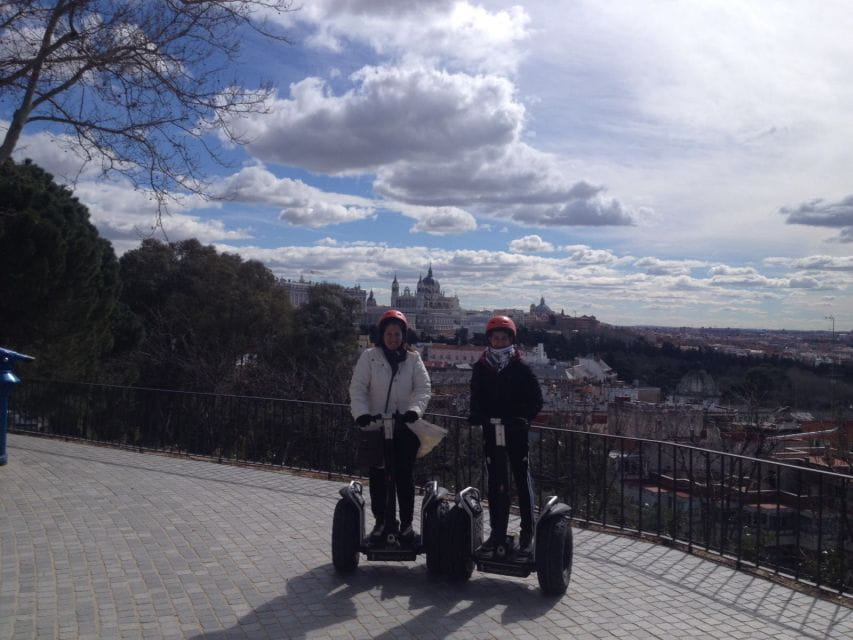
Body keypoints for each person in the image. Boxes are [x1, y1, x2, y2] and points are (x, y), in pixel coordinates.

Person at [349, 309, 431, 542]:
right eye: (389, 334)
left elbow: (423, 389)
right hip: (376, 426)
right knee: (378, 476)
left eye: (397, 334)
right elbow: (358, 388)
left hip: (404, 427)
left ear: (403, 335)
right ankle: (381, 522)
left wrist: (414, 411)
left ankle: (405, 524)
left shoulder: (413, 358)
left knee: (404, 476)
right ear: (381, 335)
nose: (393, 338)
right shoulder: (369, 357)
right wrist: (362, 414)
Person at [468, 315, 543, 557]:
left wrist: (523, 417)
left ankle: (527, 533)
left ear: (511, 340)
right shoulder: (481, 367)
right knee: (495, 483)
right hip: (492, 431)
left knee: (521, 479)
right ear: (489, 340)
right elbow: (476, 397)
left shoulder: (521, 368)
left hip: (515, 431)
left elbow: (535, 400)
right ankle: (497, 533)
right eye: (495, 338)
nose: (499, 342)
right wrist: (476, 415)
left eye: (503, 338)